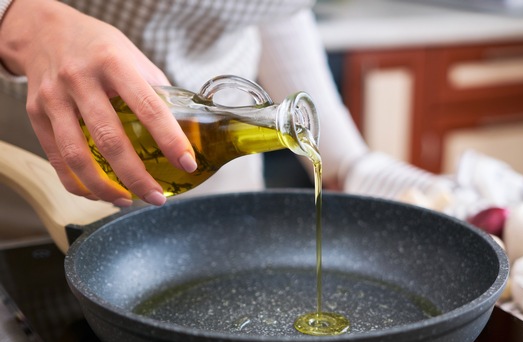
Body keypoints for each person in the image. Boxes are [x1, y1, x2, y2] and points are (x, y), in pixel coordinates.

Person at [0, 0, 455, 240]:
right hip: (41, 169)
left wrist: (348, 161)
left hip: (208, 165)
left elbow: (275, 11)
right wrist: (24, 19)